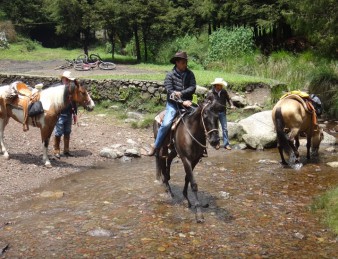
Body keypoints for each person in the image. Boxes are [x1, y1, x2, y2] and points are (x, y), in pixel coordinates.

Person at [147, 51, 196, 156]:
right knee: (166, 124)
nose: (185, 64)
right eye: (183, 62)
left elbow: (193, 87)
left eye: (185, 62)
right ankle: (156, 146)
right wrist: (181, 101)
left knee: (201, 116)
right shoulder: (170, 75)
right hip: (173, 104)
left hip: (188, 102)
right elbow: (169, 91)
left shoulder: (190, 74)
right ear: (177, 63)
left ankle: (201, 147)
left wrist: (182, 93)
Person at [53, 71, 78, 158]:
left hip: (69, 113)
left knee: (67, 131)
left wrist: (75, 114)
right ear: (62, 79)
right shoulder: (56, 87)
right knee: (58, 132)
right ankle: (56, 150)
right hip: (60, 114)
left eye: (69, 80)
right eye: (66, 79)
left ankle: (66, 150)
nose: (67, 81)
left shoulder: (72, 88)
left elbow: (74, 102)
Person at [210, 78, 235, 150]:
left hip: (222, 112)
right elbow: (207, 102)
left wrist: (231, 105)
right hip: (214, 113)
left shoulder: (224, 92)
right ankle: (217, 143)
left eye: (221, 85)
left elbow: (229, 99)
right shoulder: (210, 93)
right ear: (215, 85)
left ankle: (226, 144)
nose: (220, 87)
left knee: (225, 128)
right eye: (218, 85)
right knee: (215, 129)